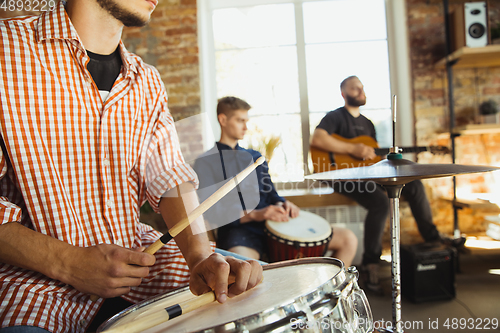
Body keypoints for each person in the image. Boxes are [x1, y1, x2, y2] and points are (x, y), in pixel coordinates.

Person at [0, 2, 262, 332]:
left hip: (140, 261)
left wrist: (197, 256)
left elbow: (170, 175)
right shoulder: (6, 49)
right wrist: (67, 262)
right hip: (36, 287)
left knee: (252, 286)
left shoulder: (147, 81)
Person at [311, 75, 444, 294]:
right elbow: (318, 139)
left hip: (366, 176)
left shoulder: (367, 124)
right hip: (340, 176)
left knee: (415, 185)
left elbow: (369, 156)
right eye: (355, 88)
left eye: (362, 87)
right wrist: (352, 149)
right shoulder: (334, 117)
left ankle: (434, 239)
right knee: (380, 203)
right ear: (343, 93)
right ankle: (371, 263)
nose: (360, 91)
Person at [193, 96, 358, 266]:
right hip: (239, 232)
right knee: (244, 267)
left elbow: (271, 193)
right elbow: (212, 212)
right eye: (240, 120)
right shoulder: (205, 162)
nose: (245, 126)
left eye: (246, 120)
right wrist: (257, 214)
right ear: (223, 120)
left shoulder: (255, 157)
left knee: (348, 239)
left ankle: (328, 292)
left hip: (274, 224)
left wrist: (284, 203)